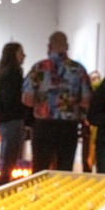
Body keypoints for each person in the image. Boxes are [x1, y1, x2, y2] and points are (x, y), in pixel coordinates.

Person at [22, 31, 91, 172]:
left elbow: (27, 100)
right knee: (64, 170)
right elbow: (86, 101)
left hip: (43, 125)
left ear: (49, 46)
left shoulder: (38, 68)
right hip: (68, 126)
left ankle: (39, 194)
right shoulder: (78, 70)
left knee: (40, 169)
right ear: (67, 46)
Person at [0, 42, 27, 186]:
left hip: (9, 120)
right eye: (21, 52)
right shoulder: (12, 73)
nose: (24, 56)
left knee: (9, 158)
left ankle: (3, 186)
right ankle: (2, 188)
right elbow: (11, 99)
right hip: (12, 120)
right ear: (14, 54)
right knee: (9, 160)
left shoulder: (7, 72)